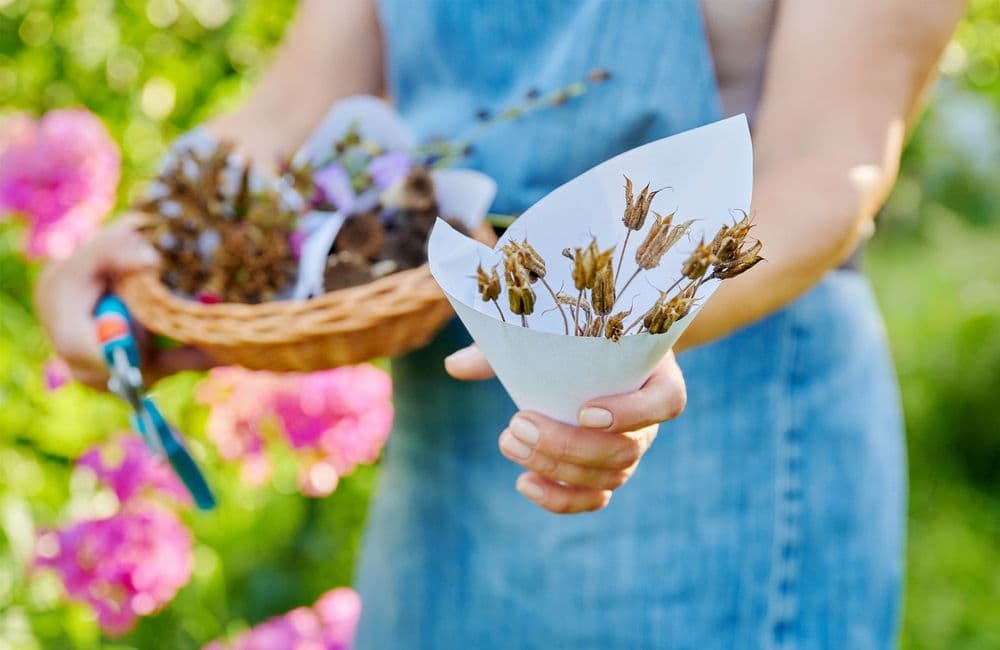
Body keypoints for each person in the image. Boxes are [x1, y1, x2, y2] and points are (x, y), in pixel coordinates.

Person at [37, 1, 964, 647]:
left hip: (719, 426)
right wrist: (147, 246)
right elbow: (293, 106)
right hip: (452, 452)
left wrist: (614, 330)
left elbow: (826, 163)